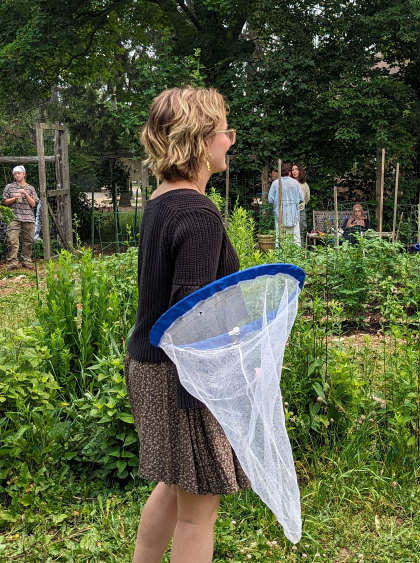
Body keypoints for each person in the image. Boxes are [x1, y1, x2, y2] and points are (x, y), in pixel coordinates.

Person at [125, 86, 249, 563]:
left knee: (174, 482)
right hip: (184, 376)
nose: (229, 141)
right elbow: (191, 316)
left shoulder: (161, 199)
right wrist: (209, 386)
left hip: (150, 364)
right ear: (199, 140)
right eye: (225, 131)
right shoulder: (197, 210)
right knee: (198, 511)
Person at [3, 165, 38, 270]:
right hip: (14, 217)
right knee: (12, 240)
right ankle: (12, 263)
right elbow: (5, 201)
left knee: (28, 241)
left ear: (24, 174)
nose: (17, 175)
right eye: (15, 174)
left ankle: (26, 261)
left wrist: (26, 194)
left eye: (19, 173)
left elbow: (33, 204)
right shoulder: (9, 187)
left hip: (28, 218)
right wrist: (14, 198)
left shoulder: (30, 188)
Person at [268, 162, 304, 246]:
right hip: (294, 215)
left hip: (279, 215)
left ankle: (280, 256)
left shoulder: (275, 183)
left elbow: (270, 200)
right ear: (289, 172)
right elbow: (302, 198)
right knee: (296, 240)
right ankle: (296, 256)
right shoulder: (295, 183)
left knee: (280, 239)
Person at [291, 164, 310, 240]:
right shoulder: (290, 183)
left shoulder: (304, 185)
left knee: (302, 230)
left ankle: (301, 249)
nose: (294, 171)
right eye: (292, 170)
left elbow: (307, 198)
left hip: (301, 210)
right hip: (290, 211)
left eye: (296, 169)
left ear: (300, 171)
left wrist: (302, 204)